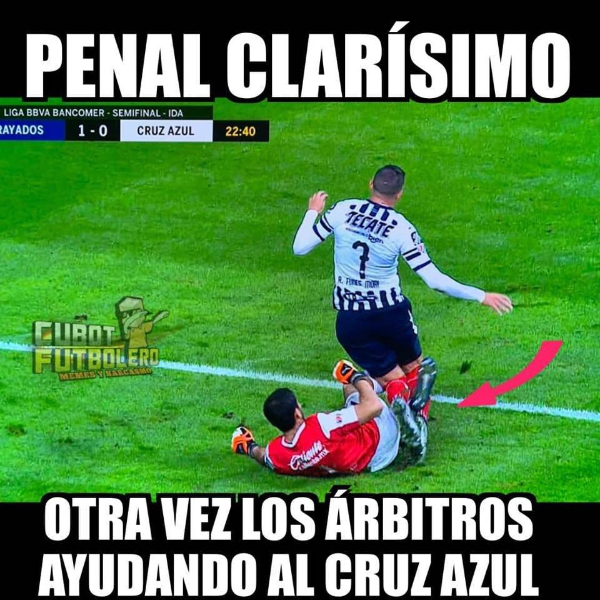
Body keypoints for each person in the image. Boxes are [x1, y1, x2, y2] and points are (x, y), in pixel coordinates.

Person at [291, 165, 513, 403]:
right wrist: (481, 296)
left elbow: (300, 247)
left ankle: (378, 402)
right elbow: (434, 280)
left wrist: (312, 212)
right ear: (399, 194)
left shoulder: (343, 210)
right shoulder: (401, 228)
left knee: (394, 380)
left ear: (371, 184)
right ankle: (412, 419)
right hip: (391, 314)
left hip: (352, 319)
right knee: (416, 369)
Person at [231, 360, 429, 476]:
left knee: (349, 391)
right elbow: (374, 407)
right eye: (299, 404)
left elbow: (263, 456)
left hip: (369, 465)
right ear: (297, 414)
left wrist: (248, 447)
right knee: (388, 379)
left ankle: (407, 412)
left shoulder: (278, 453)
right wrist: (353, 375)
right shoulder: (322, 426)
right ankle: (413, 413)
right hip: (381, 439)